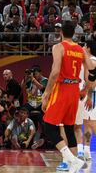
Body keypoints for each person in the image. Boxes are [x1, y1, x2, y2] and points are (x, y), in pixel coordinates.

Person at [42, 21, 95, 172]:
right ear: (74, 33)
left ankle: (72, 159)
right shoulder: (80, 49)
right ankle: (73, 164)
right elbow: (91, 69)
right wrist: (87, 87)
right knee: (69, 128)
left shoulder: (58, 47)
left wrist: (46, 93)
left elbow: (55, 72)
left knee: (49, 125)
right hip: (75, 90)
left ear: (61, 32)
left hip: (62, 88)